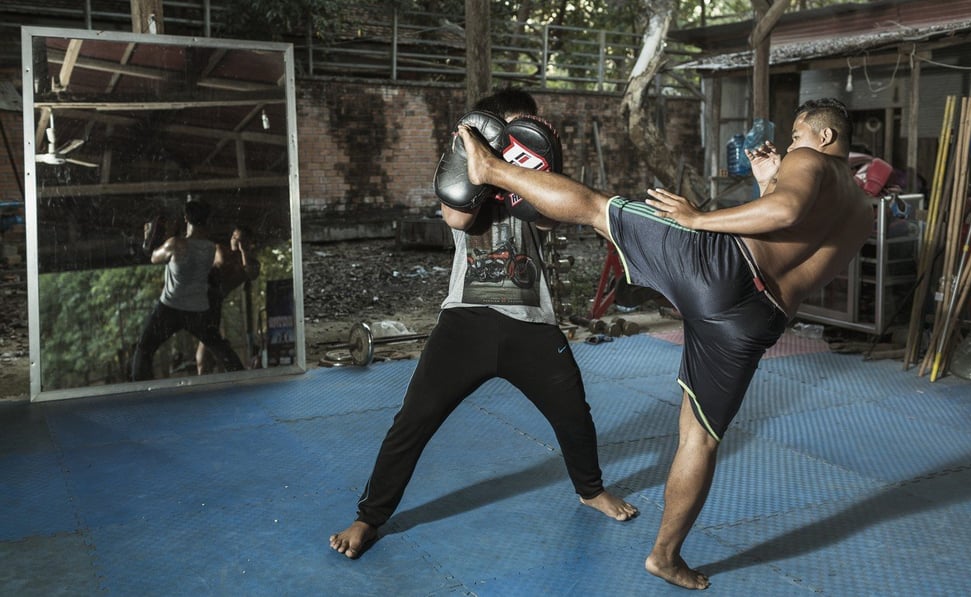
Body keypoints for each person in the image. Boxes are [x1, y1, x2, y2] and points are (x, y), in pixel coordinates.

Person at [457, 97, 874, 589]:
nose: (789, 147)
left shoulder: (812, 159)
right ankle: (665, 557)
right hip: (759, 319)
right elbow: (796, 235)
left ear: (824, 137)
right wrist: (768, 182)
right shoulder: (862, 210)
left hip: (723, 268)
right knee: (700, 438)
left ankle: (493, 170)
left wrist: (698, 220)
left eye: (796, 137)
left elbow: (784, 209)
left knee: (596, 208)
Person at [330, 87, 638, 559]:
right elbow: (456, 216)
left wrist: (527, 168)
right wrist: (481, 162)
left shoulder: (537, 182)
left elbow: (555, 220)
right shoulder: (464, 176)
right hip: (464, 320)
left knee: (574, 415)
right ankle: (368, 517)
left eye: (525, 132)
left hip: (532, 321)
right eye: (508, 131)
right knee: (412, 421)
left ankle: (591, 490)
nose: (516, 141)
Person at [131, 199, 245, 381]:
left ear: (186, 218)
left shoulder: (175, 244)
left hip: (170, 307)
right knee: (219, 347)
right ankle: (243, 378)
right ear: (206, 220)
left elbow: (153, 257)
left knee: (144, 348)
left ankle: (139, 389)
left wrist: (148, 238)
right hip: (198, 309)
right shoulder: (210, 248)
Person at [196, 225, 260, 374]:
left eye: (241, 239)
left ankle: (208, 372)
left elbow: (251, 274)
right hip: (201, 296)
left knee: (209, 340)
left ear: (249, 242)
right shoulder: (219, 250)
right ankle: (205, 371)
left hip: (214, 302)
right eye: (234, 237)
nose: (236, 241)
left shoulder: (251, 263)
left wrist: (244, 251)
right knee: (208, 340)